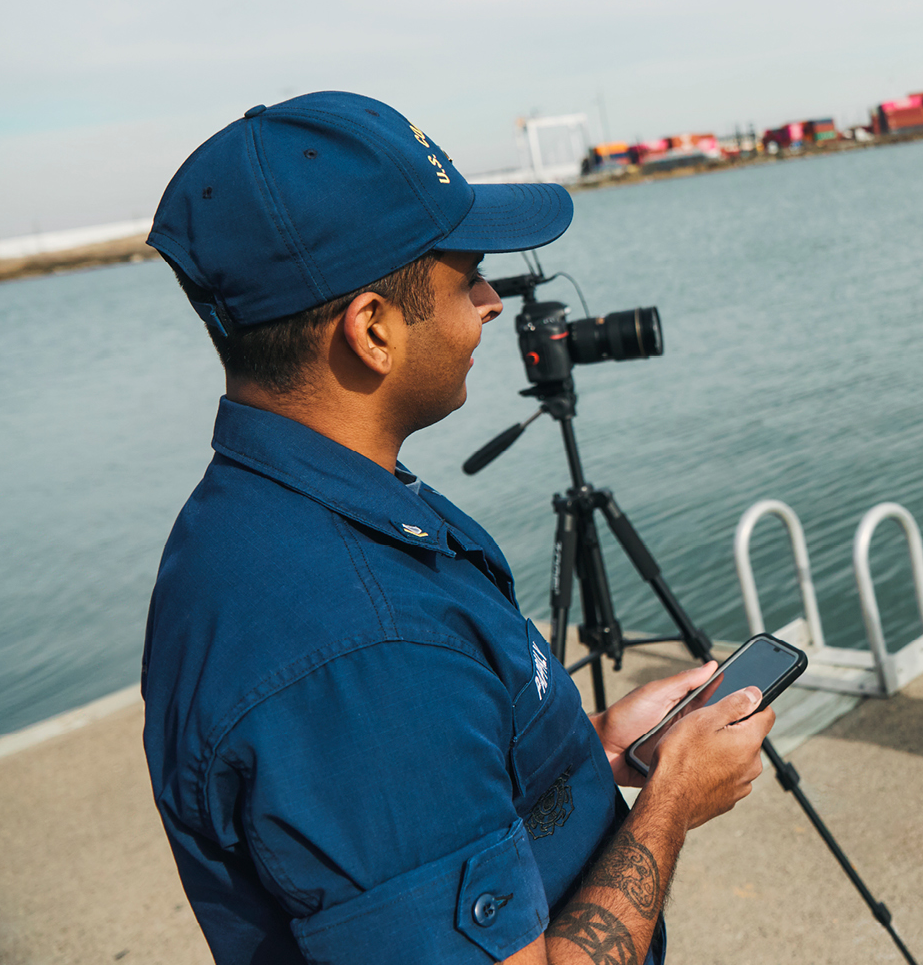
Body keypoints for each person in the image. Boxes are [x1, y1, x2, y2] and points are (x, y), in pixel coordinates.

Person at [141, 91, 774, 964]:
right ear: (372, 330)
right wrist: (674, 798)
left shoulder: (266, 512)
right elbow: (392, 724)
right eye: (468, 274)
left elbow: (430, 796)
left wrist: (590, 752)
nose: (490, 302)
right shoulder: (367, 654)